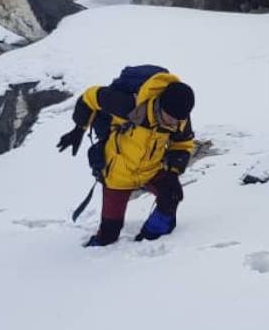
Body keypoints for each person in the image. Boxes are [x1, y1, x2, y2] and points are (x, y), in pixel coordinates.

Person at [56, 67, 195, 247]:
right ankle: (97, 249)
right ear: (160, 105)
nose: (175, 124)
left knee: (171, 195)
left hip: (151, 169)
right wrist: (78, 129)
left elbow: (182, 144)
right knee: (109, 233)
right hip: (118, 174)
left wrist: (173, 172)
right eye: (170, 119)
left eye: (178, 121)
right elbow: (90, 96)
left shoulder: (179, 116)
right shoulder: (128, 105)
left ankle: (151, 236)